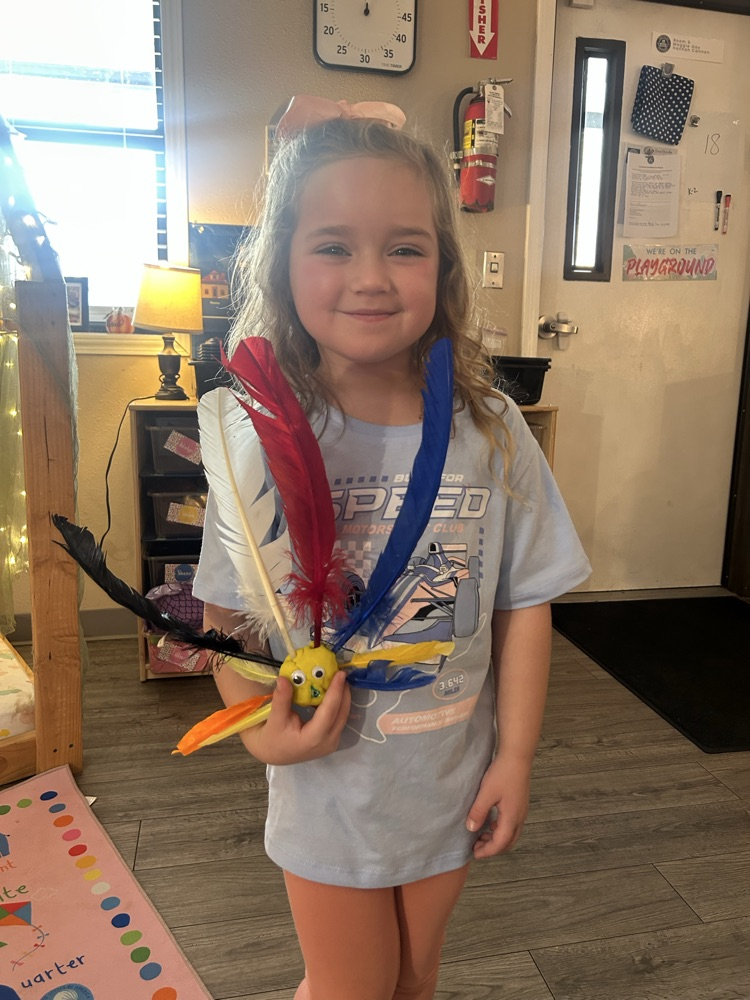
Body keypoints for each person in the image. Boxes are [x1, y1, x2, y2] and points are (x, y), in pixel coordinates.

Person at [191, 95, 591, 1000]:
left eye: (404, 246)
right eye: (333, 245)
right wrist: (262, 733)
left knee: (416, 977)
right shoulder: (266, 437)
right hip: (330, 785)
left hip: (447, 777)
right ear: (284, 263)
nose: (371, 275)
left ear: (442, 266)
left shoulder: (491, 430)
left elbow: (526, 600)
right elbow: (228, 616)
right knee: (348, 987)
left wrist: (516, 757)